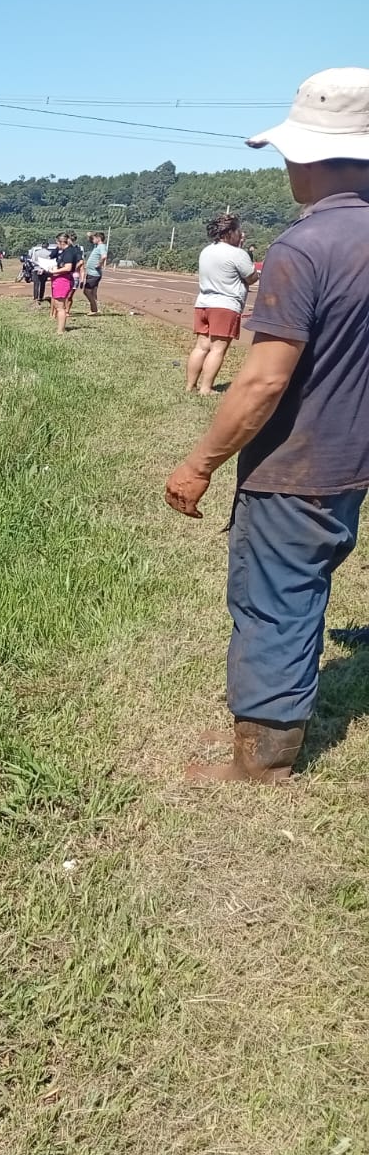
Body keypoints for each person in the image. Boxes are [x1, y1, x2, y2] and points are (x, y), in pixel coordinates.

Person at [164, 66, 369, 783]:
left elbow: (263, 380)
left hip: (295, 466)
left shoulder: (302, 249)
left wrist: (200, 464)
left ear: (308, 156)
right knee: (306, 586)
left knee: (275, 601)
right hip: (352, 463)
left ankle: (263, 762)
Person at [185, 214, 259, 395]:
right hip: (225, 305)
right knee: (217, 349)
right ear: (230, 232)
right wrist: (242, 251)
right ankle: (206, 388)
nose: (241, 233)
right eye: (238, 230)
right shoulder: (237, 254)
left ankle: (190, 386)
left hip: (203, 303)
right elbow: (251, 277)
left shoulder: (207, 251)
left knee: (201, 346)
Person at [50, 232, 84, 333]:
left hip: (63, 280)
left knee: (60, 306)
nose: (57, 246)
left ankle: (60, 330)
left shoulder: (69, 252)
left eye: (57, 243)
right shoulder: (67, 251)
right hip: (61, 279)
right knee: (58, 304)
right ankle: (60, 328)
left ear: (61, 242)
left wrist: (54, 271)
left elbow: (68, 267)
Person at [81, 231, 108, 316]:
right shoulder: (97, 246)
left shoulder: (102, 246)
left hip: (94, 273)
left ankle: (94, 309)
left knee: (87, 291)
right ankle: (94, 308)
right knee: (92, 292)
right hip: (91, 272)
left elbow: (104, 256)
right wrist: (90, 235)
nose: (93, 240)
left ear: (99, 239)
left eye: (94, 238)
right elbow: (91, 239)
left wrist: (99, 264)